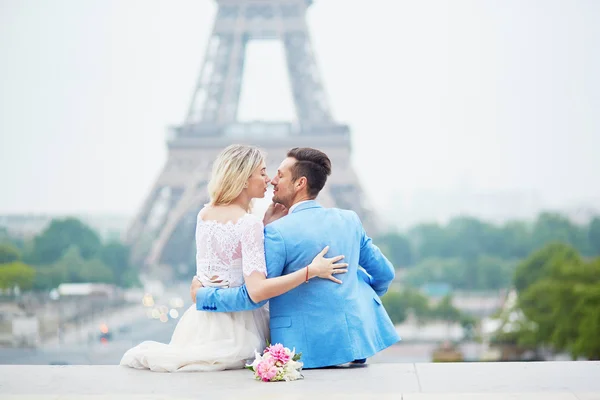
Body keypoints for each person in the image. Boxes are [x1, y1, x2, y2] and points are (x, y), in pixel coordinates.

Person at [120, 144, 347, 372]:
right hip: (238, 331)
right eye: (262, 173)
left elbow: (223, 261)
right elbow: (256, 291)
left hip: (200, 325)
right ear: (244, 178)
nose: (268, 179)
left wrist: (264, 226)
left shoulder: (205, 214)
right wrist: (311, 271)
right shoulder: (248, 223)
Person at [191, 147, 400, 369]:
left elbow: (256, 295)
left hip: (302, 351)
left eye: (280, 175)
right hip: (355, 346)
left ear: (300, 183)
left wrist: (203, 296)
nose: (272, 180)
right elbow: (385, 273)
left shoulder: (277, 233)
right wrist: (354, 291)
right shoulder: (349, 220)